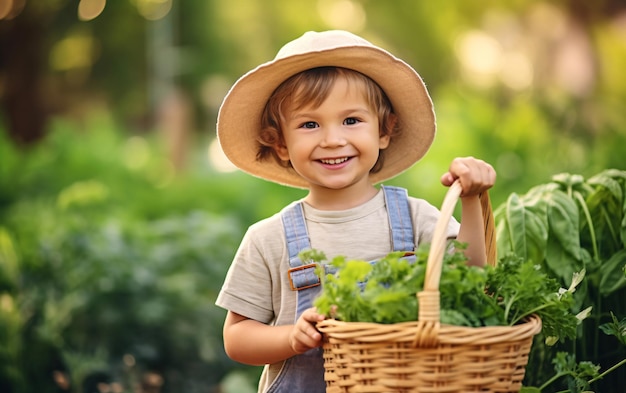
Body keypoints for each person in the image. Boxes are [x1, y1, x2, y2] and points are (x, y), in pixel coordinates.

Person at [215, 30, 496, 393]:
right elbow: (237, 337)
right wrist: (291, 338)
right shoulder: (267, 239)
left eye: (351, 120)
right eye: (309, 124)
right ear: (281, 143)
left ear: (385, 130)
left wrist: (471, 199)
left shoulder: (415, 218)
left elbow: (473, 280)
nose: (332, 139)